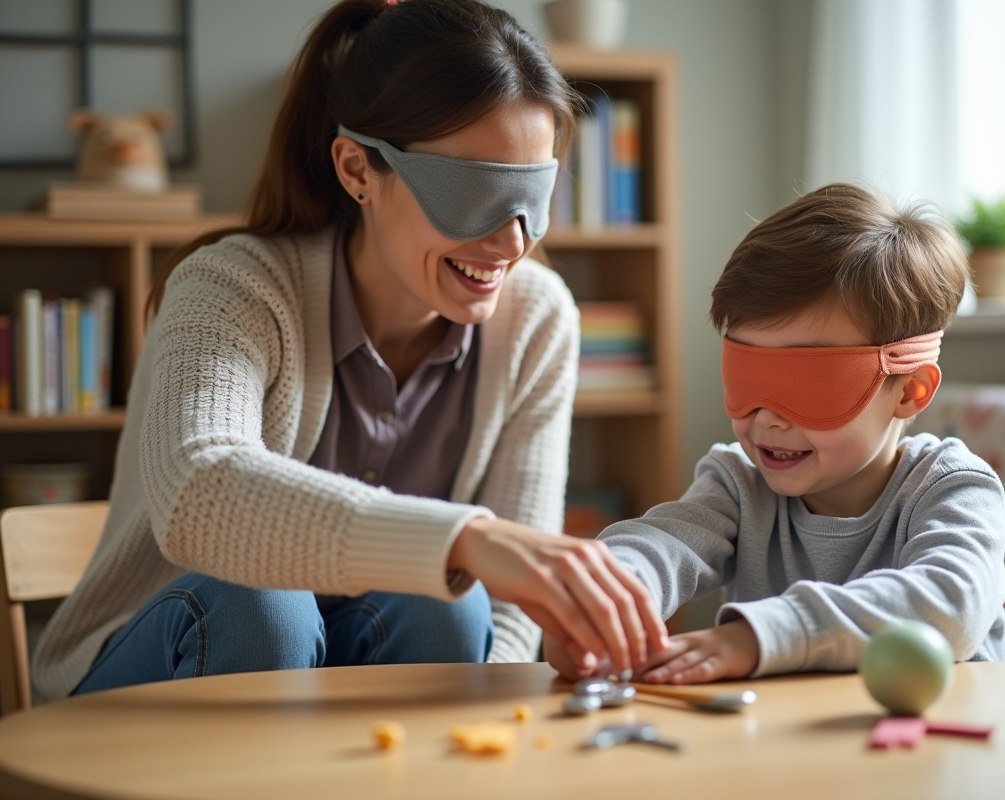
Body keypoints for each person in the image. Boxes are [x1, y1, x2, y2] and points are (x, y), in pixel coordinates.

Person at [33, 0, 667, 703]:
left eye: (532, 196)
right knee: (262, 604)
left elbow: (511, 618)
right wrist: (464, 540)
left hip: (354, 701)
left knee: (452, 604)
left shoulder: (539, 319)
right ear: (358, 169)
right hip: (147, 674)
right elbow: (196, 492)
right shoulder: (232, 287)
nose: (511, 243)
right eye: (474, 194)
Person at [546, 183, 1005, 684]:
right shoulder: (738, 486)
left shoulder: (954, 489)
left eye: (806, 385)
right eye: (748, 378)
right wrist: (606, 596)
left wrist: (760, 635)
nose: (767, 419)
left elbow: (950, 605)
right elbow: (663, 543)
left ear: (910, 390)